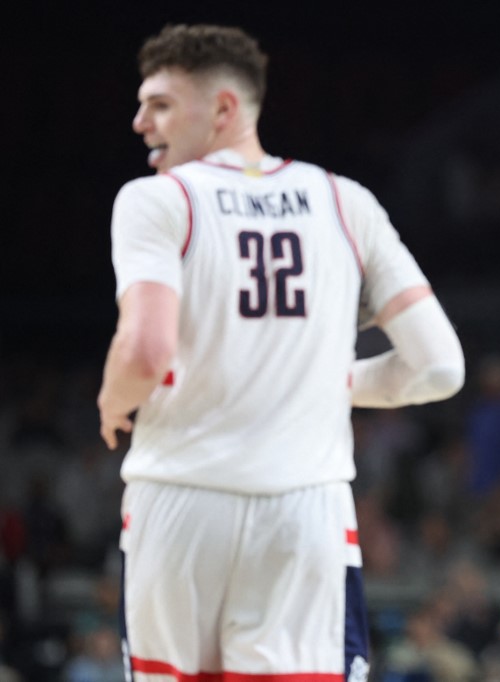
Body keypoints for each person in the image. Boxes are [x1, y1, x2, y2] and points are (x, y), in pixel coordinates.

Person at [97, 24, 464, 682]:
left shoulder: (155, 201)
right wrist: (322, 381)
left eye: (159, 104)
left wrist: (113, 397)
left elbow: (145, 352)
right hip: (303, 512)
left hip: (178, 503)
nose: (139, 122)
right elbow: (439, 367)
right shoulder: (345, 203)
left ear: (224, 109)